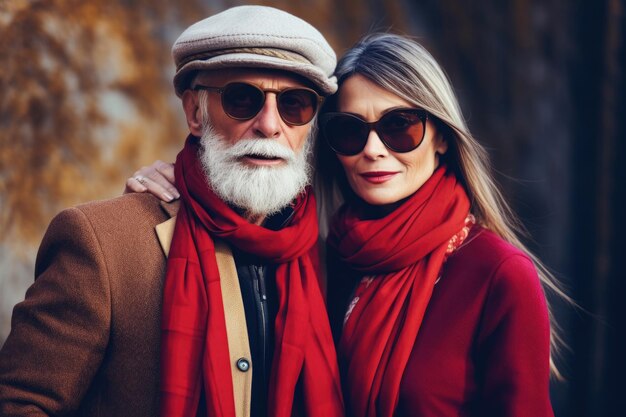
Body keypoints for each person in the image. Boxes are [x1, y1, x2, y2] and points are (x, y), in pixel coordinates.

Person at [131, 32, 564, 417]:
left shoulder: (497, 273)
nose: (373, 149)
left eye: (399, 126)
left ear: (442, 136)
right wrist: (183, 181)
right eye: (350, 131)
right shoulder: (315, 259)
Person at [0, 6, 345, 417]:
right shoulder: (101, 242)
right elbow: (20, 403)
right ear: (194, 113)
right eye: (242, 99)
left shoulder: (327, 258)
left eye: (295, 105)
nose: (270, 125)